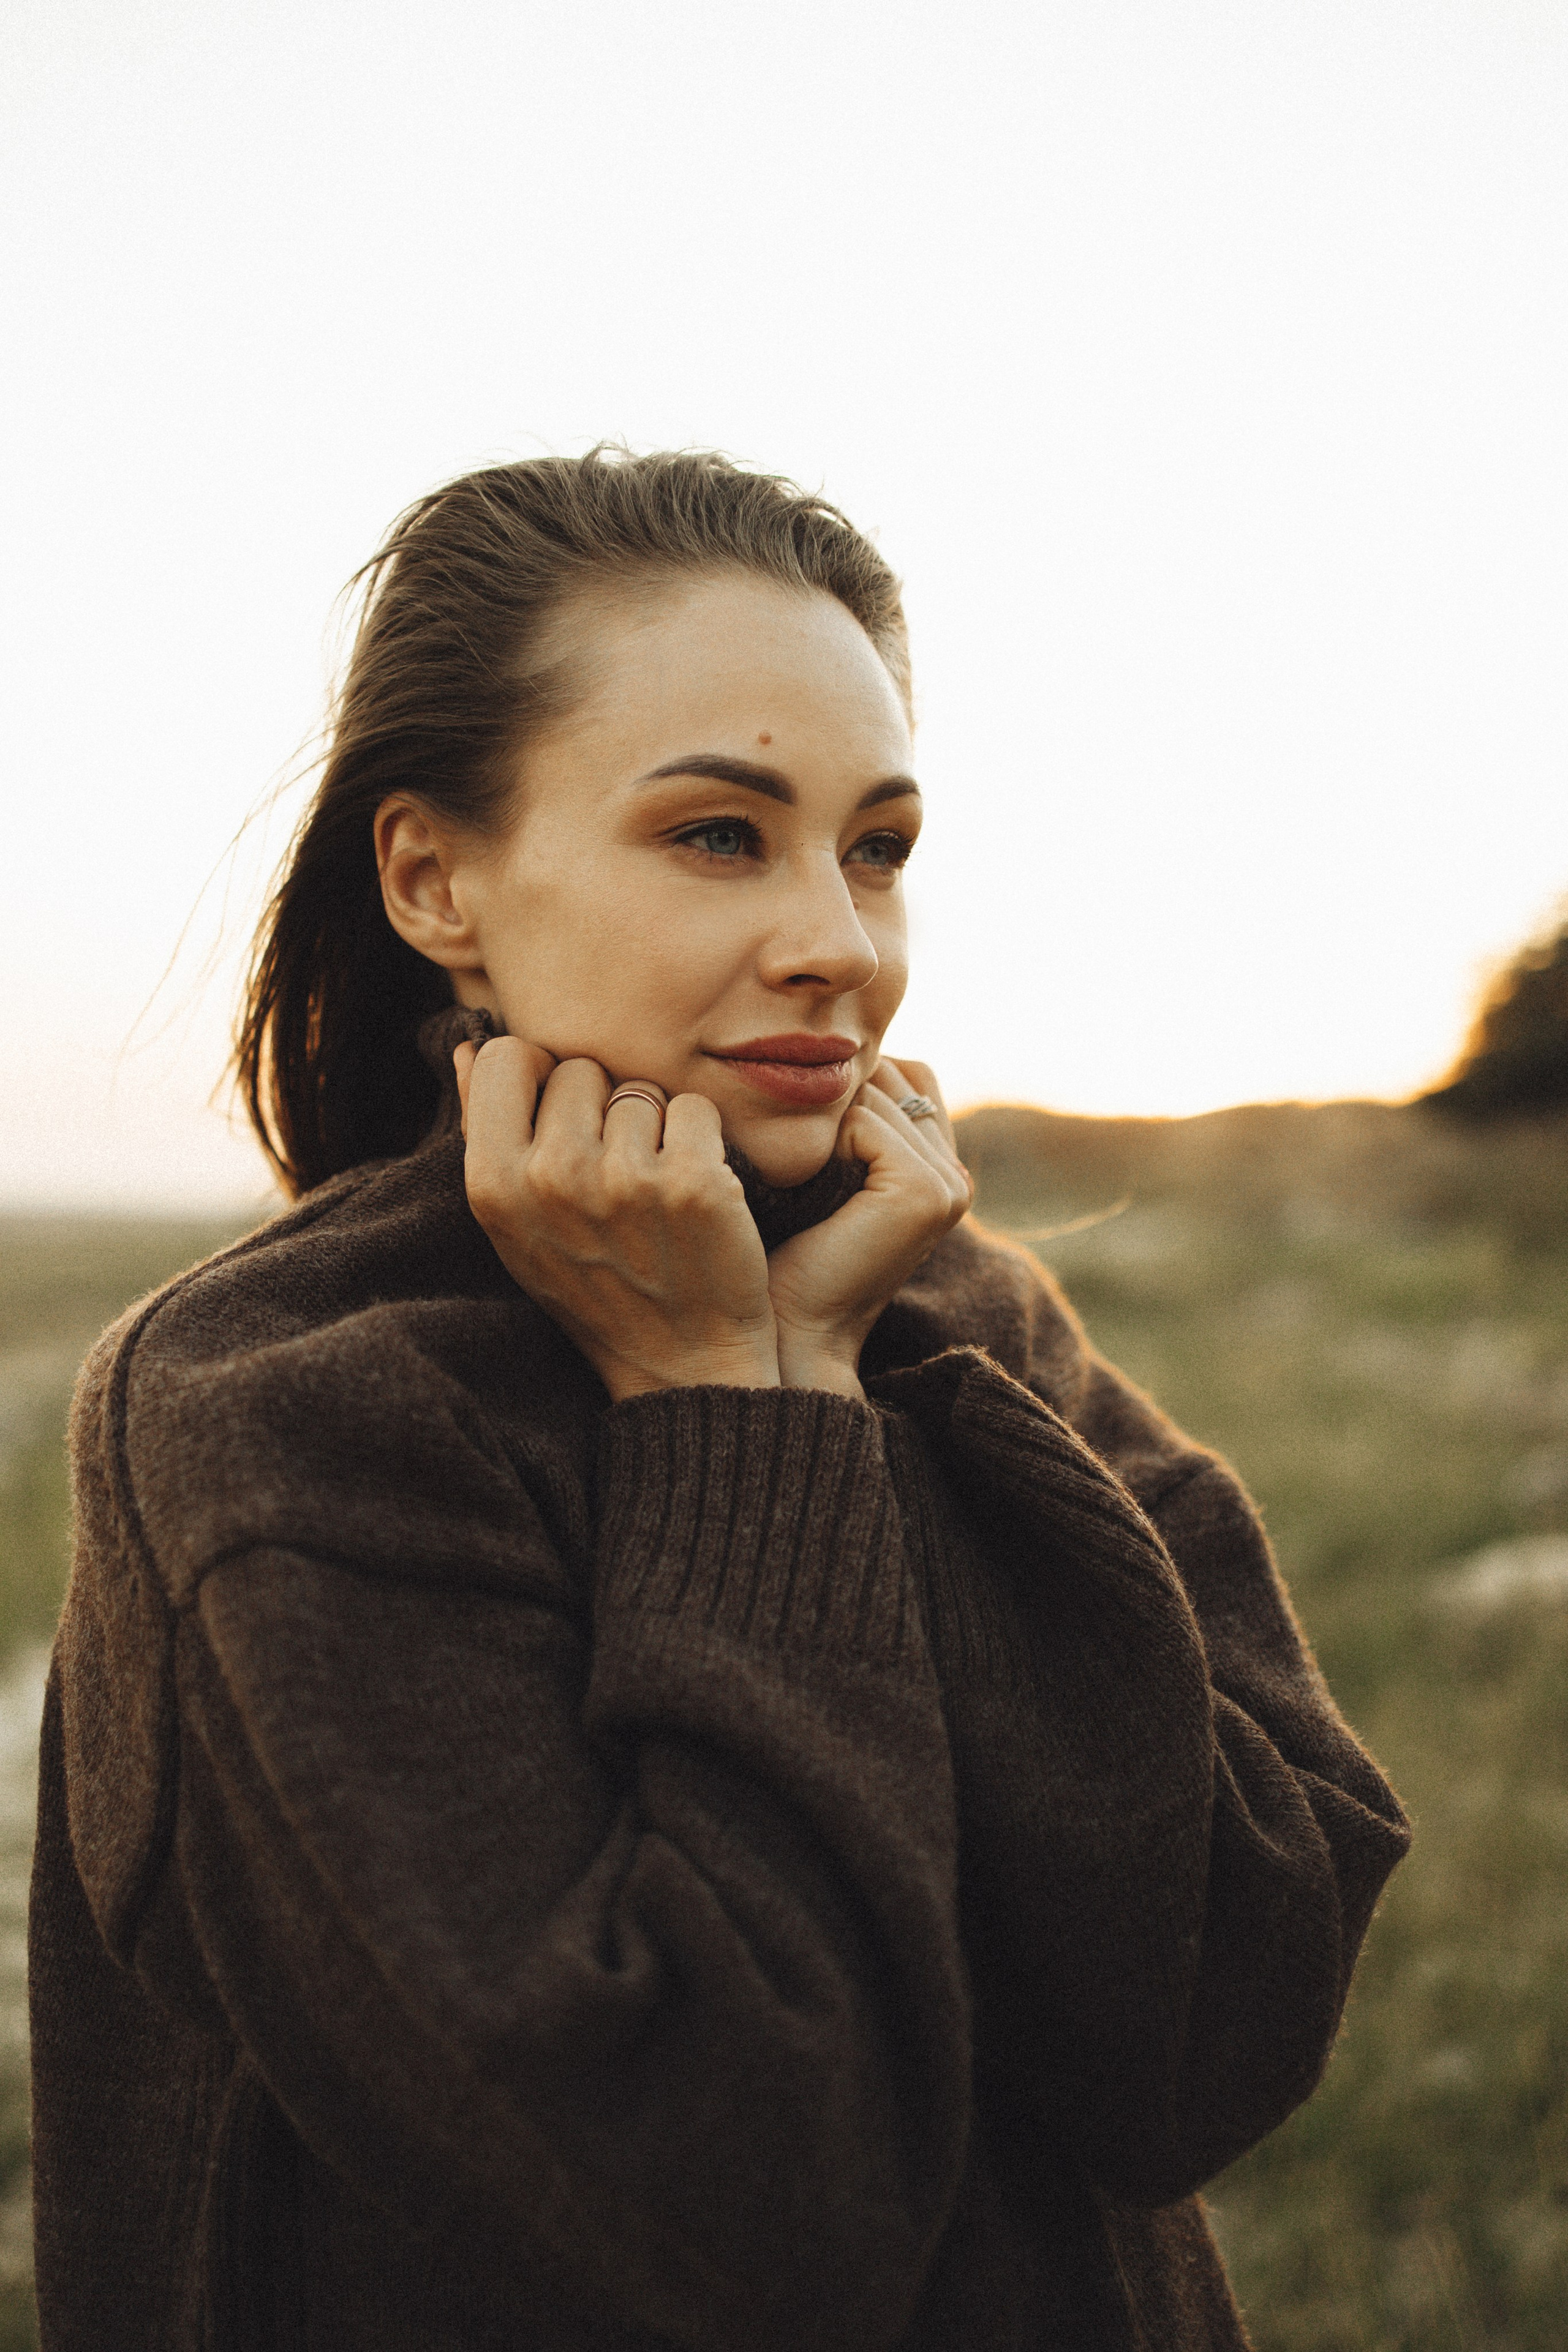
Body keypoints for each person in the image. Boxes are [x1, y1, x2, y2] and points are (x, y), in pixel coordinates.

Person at [29, 448, 1409, 2351]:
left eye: (879, 846)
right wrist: (725, 1420)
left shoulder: (962, 1313)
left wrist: (829, 1371)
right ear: (436, 877)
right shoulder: (287, 1406)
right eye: (716, 835)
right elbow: (739, 2224)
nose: (842, 943)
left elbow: (1215, 2036)